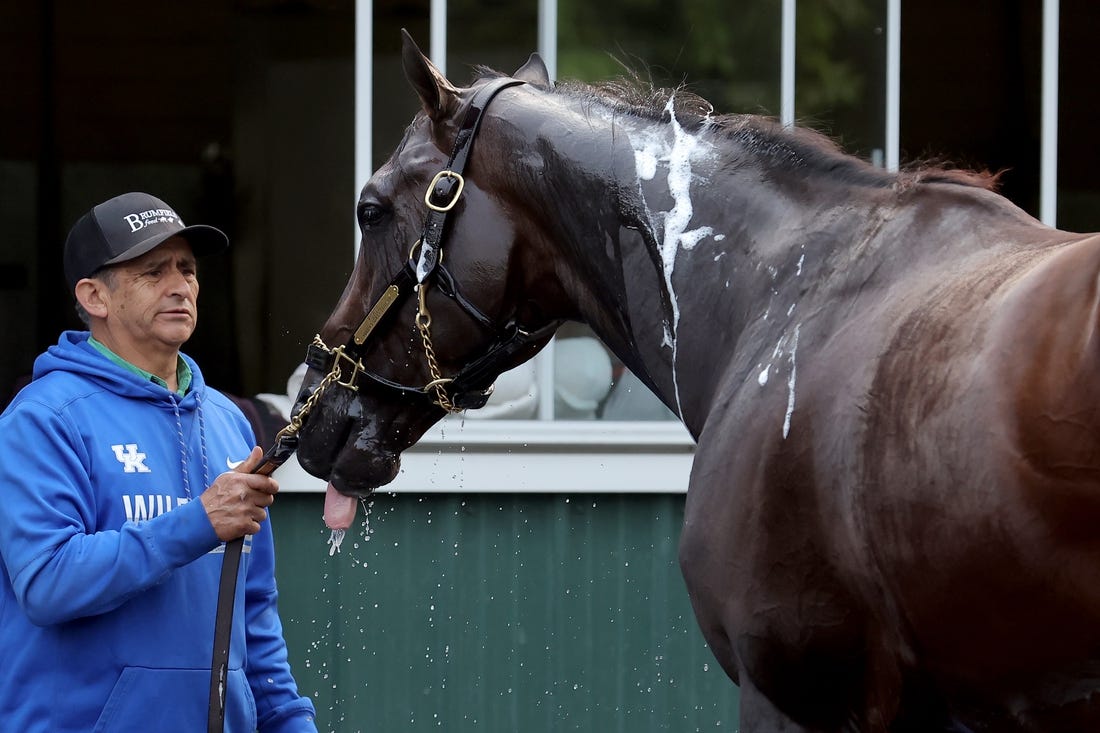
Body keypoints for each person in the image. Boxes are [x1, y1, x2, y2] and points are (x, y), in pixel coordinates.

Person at [0, 192, 317, 732]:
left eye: (187, 270)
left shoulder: (228, 420)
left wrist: (289, 720)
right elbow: (47, 582)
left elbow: (253, 606)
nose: (180, 286)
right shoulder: (43, 418)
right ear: (94, 296)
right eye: (153, 271)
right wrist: (196, 523)